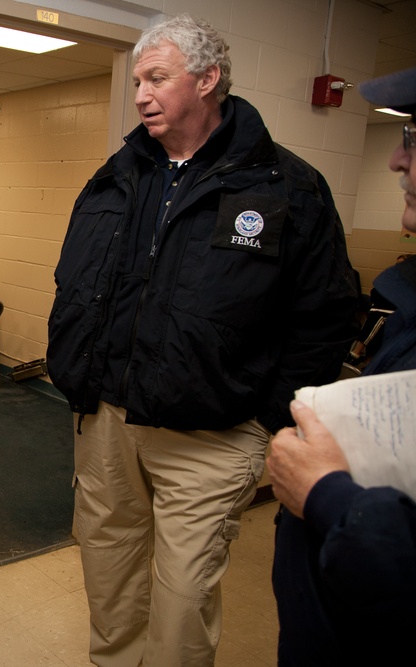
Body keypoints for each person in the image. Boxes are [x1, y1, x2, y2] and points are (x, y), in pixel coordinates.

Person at [45, 14, 358, 666]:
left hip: (212, 435)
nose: (140, 94)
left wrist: (268, 417)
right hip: (106, 427)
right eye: (137, 80)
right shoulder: (117, 176)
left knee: (183, 600)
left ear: (208, 78)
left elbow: (325, 315)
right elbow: (75, 279)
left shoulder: (287, 187)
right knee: (109, 585)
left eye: (157, 77)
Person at [268, 65, 416, 666]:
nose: (395, 162)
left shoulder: (295, 186)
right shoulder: (407, 298)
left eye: (411, 138)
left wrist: (327, 494)